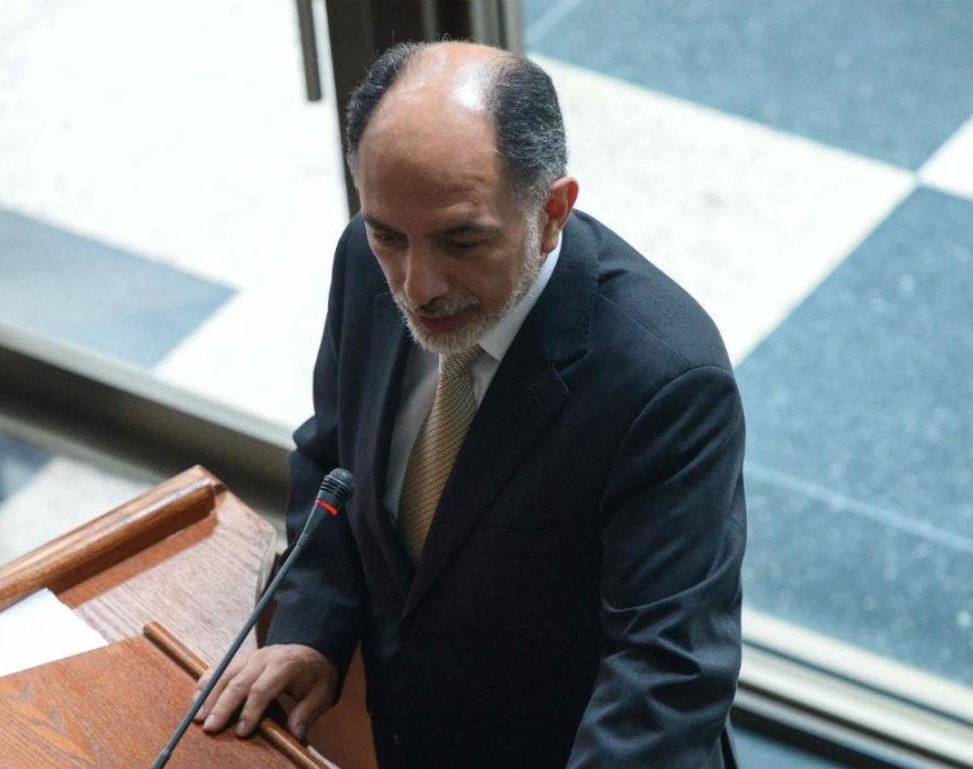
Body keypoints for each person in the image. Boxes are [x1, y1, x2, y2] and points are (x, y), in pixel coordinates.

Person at [195, 40, 747, 768]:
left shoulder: (667, 381)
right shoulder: (363, 261)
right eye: (388, 235)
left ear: (553, 211)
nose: (417, 286)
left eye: (461, 242)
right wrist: (309, 629)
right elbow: (333, 461)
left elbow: (664, 673)